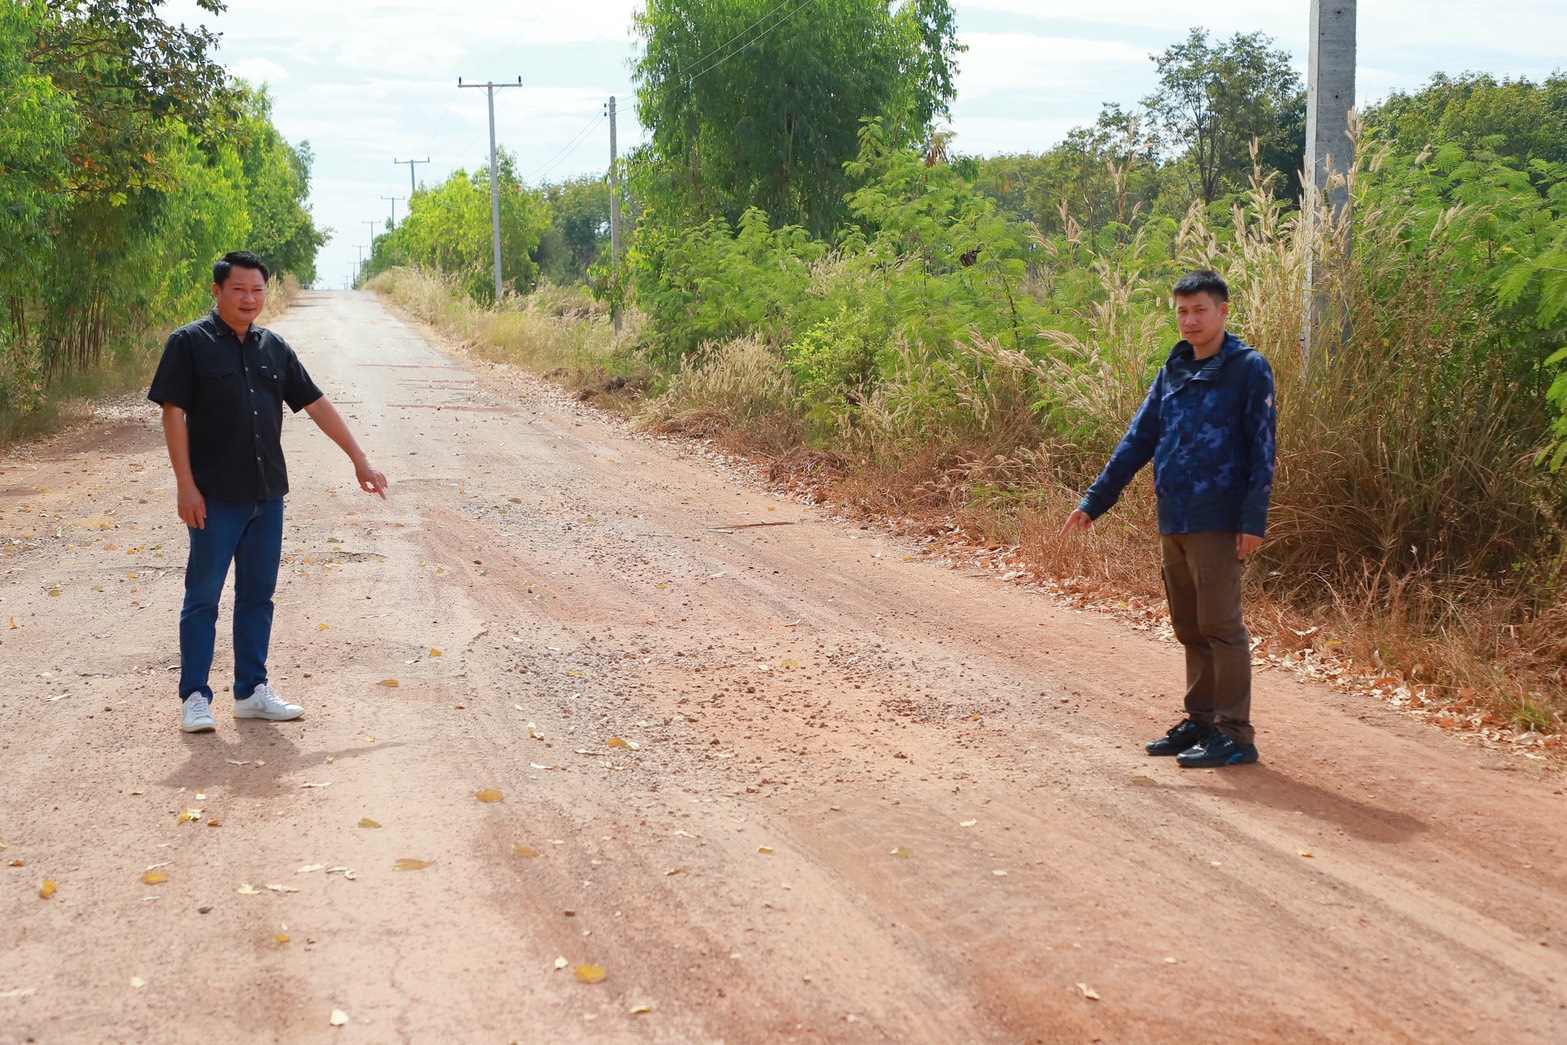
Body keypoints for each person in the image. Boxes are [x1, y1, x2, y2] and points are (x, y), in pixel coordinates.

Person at [148, 251, 388, 734]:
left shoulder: (274, 347)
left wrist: (359, 458)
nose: (248, 298)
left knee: (258, 595)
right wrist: (185, 486)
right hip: (214, 497)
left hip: (266, 495)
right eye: (238, 289)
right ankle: (195, 697)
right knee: (203, 597)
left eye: (257, 289)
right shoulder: (189, 343)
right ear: (217, 292)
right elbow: (173, 413)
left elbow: (316, 404)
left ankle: (251, 692)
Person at [1060, 269, 1276, 768]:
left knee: (1221, 626)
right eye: (1182, 311)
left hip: (1218, 518)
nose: (1190, 320)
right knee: (1190, 626)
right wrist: (1095, 501)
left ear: (1223, 311)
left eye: (1200, 309)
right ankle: (1202, 720)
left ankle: (1235, 734)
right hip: (1174, 516)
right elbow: (1139, 439)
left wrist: (1253, 519)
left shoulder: (1247, 368)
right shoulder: (1174, 369)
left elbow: (1262, 447)